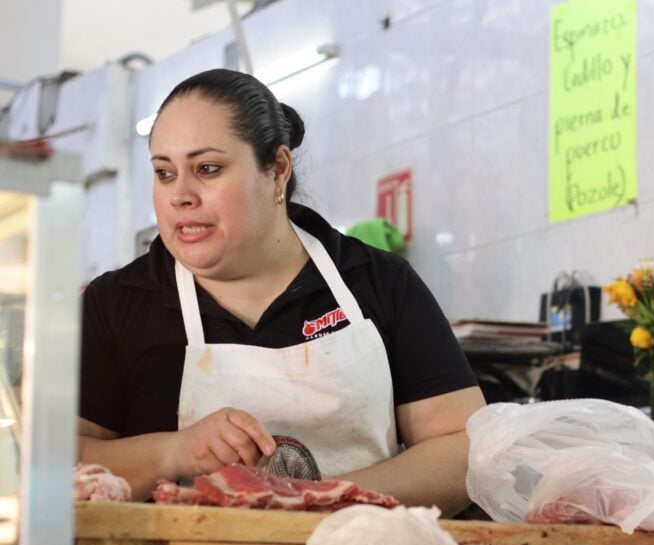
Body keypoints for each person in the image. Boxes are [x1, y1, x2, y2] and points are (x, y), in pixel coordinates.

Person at [77, 69, 485, 517]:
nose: (181, 196)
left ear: (277, 170)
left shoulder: (377, 281)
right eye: (164, 173)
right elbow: (54, 460)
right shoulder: (115, 305)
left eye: (207, 169)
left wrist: (322, 499)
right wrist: (173, 452)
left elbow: (460, 446)